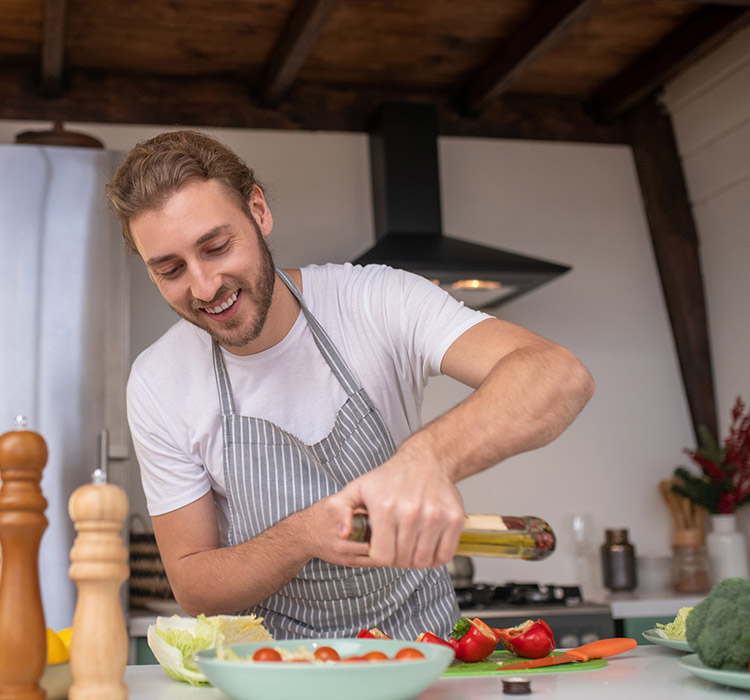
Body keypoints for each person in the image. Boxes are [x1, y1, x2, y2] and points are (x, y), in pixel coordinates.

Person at [107, 129, 594, 641]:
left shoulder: (374, 300)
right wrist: (301, 537)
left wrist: (424, 462)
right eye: (170, 269)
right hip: (276, 673)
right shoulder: (159, 381)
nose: (204, 287)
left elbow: (558, 375)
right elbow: (193, 584)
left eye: (217, 247)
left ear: (258, 210)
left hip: (422, 656)